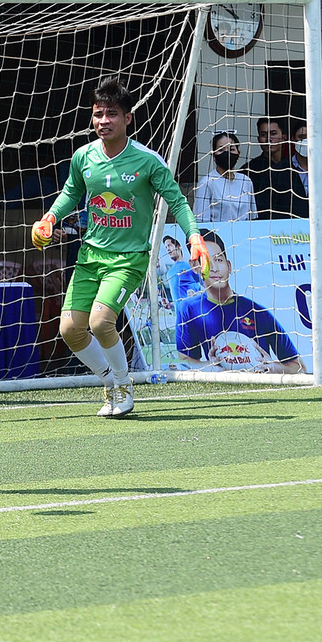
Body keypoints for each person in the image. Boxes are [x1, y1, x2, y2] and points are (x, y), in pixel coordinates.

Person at [31, 77, 207, 418]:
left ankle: (124, 387)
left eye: (111, 114)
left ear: (127, 118)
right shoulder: (83, 156)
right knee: (70, 330)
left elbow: (177, 201)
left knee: (100, 322)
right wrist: (50, 218)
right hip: (90, 256)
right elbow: (71, 193)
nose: (103, 121)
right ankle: (110, 382)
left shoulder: (147, 160)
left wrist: (194, 237)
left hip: (128, 259)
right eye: (98, 114)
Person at [176, 229, 303, 373]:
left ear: (229, 266)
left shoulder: (257, 311)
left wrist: (273, 367)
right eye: (207, 262)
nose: (215, 269)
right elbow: (184, 362)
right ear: (195, 267)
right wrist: (211, 367)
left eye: (218, 260)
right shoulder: (189, 309)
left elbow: (299, 367)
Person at [193, 131, 255, 223]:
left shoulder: (246, 181)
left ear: (239, 154)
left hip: (244, 231)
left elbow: (252, 217)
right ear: (214, 156)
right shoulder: (206, 183)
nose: (227, 153)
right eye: (221, 149)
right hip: (218, 231)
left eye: (231, 149)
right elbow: (201, 221)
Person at [243, 116, 292, 220]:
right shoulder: (248, 170)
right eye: (263, 135)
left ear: (284, 137)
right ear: (258, 139)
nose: (269, 139)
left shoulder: (293, 167)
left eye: (273, 134)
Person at [163, 235, 204, 303]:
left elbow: (205, 285)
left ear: (179, 247)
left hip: (194, 306)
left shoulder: (190, 266)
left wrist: (198, 294)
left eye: (169, 245)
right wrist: (170, 304)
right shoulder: (169, 273)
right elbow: (176, 297)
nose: (168, 249)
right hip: (179, 309)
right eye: (166, 247)